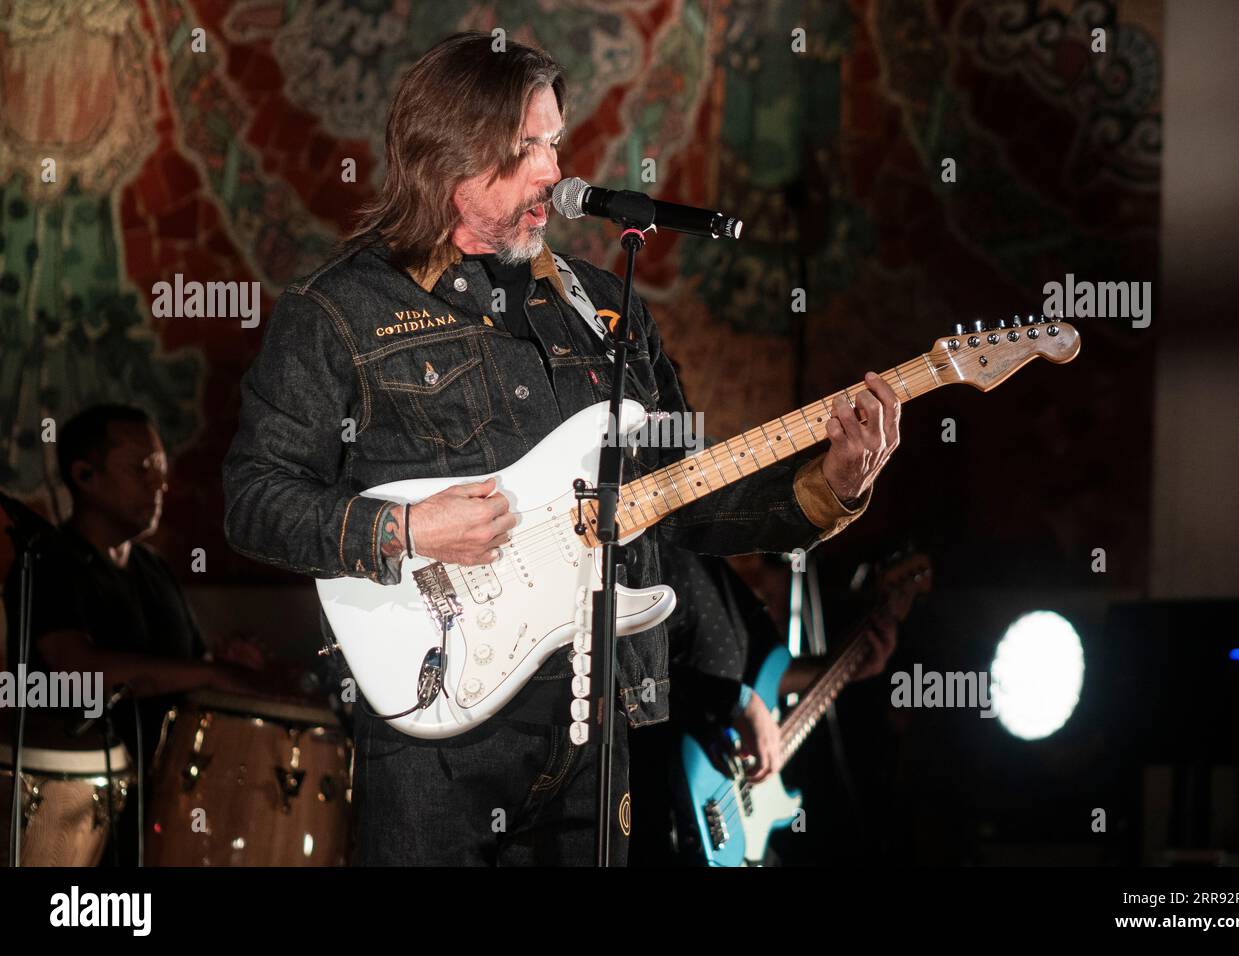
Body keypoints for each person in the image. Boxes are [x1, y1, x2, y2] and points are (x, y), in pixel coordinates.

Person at [222, 31, 901, 866]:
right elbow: (254, 499)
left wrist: (828, 486)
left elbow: (684, 495)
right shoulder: (340, 311)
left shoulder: (602, 311)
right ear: (447, 161)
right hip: (439, 730)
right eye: (525, 148)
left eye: (553, 142)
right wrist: (405, 532)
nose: (554, 170)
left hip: (603, 716)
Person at [2, 404, 262, 864]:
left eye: (160, 469)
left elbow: (190, 670)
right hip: (73, 806)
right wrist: (207, 674)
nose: (159, 484)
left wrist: (218, 664)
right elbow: (78, 669)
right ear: (85, 475)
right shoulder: (48, 561)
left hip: (161, 801)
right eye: (142, 468)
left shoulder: (153, 569)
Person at [630, 543, 899, 865]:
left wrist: (848, 666)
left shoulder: (735, 594)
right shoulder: (670, 555)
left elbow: (771, 675)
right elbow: (624, 659)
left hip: (729, 820)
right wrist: (737, 702)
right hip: (655, 799)